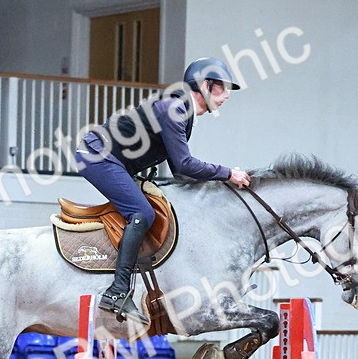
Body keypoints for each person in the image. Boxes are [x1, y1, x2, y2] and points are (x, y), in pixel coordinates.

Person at [75, 57, 251, 325]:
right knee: (142, 213)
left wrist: (218, 186)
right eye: (223, 88)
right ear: (205, 85)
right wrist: (228, 173)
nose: (227, 95)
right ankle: (117, 291)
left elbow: (179, 172)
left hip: (110, 159)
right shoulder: (175, 109)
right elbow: (185, 164)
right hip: (97, 156)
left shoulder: (182, 111)